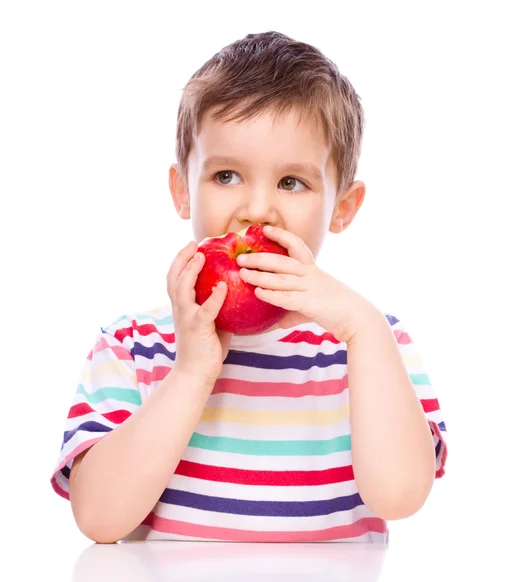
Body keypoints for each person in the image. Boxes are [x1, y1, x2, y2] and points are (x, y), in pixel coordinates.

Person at [51, 31, 447, 544]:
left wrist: (364, 331)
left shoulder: (371, 343)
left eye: (291, 183)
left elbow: (400, 497)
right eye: (227, 175)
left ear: (343, 208)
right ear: (182, 190)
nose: (257, 210)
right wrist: (192, 371)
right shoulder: (132, 345)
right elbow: (99, 520)